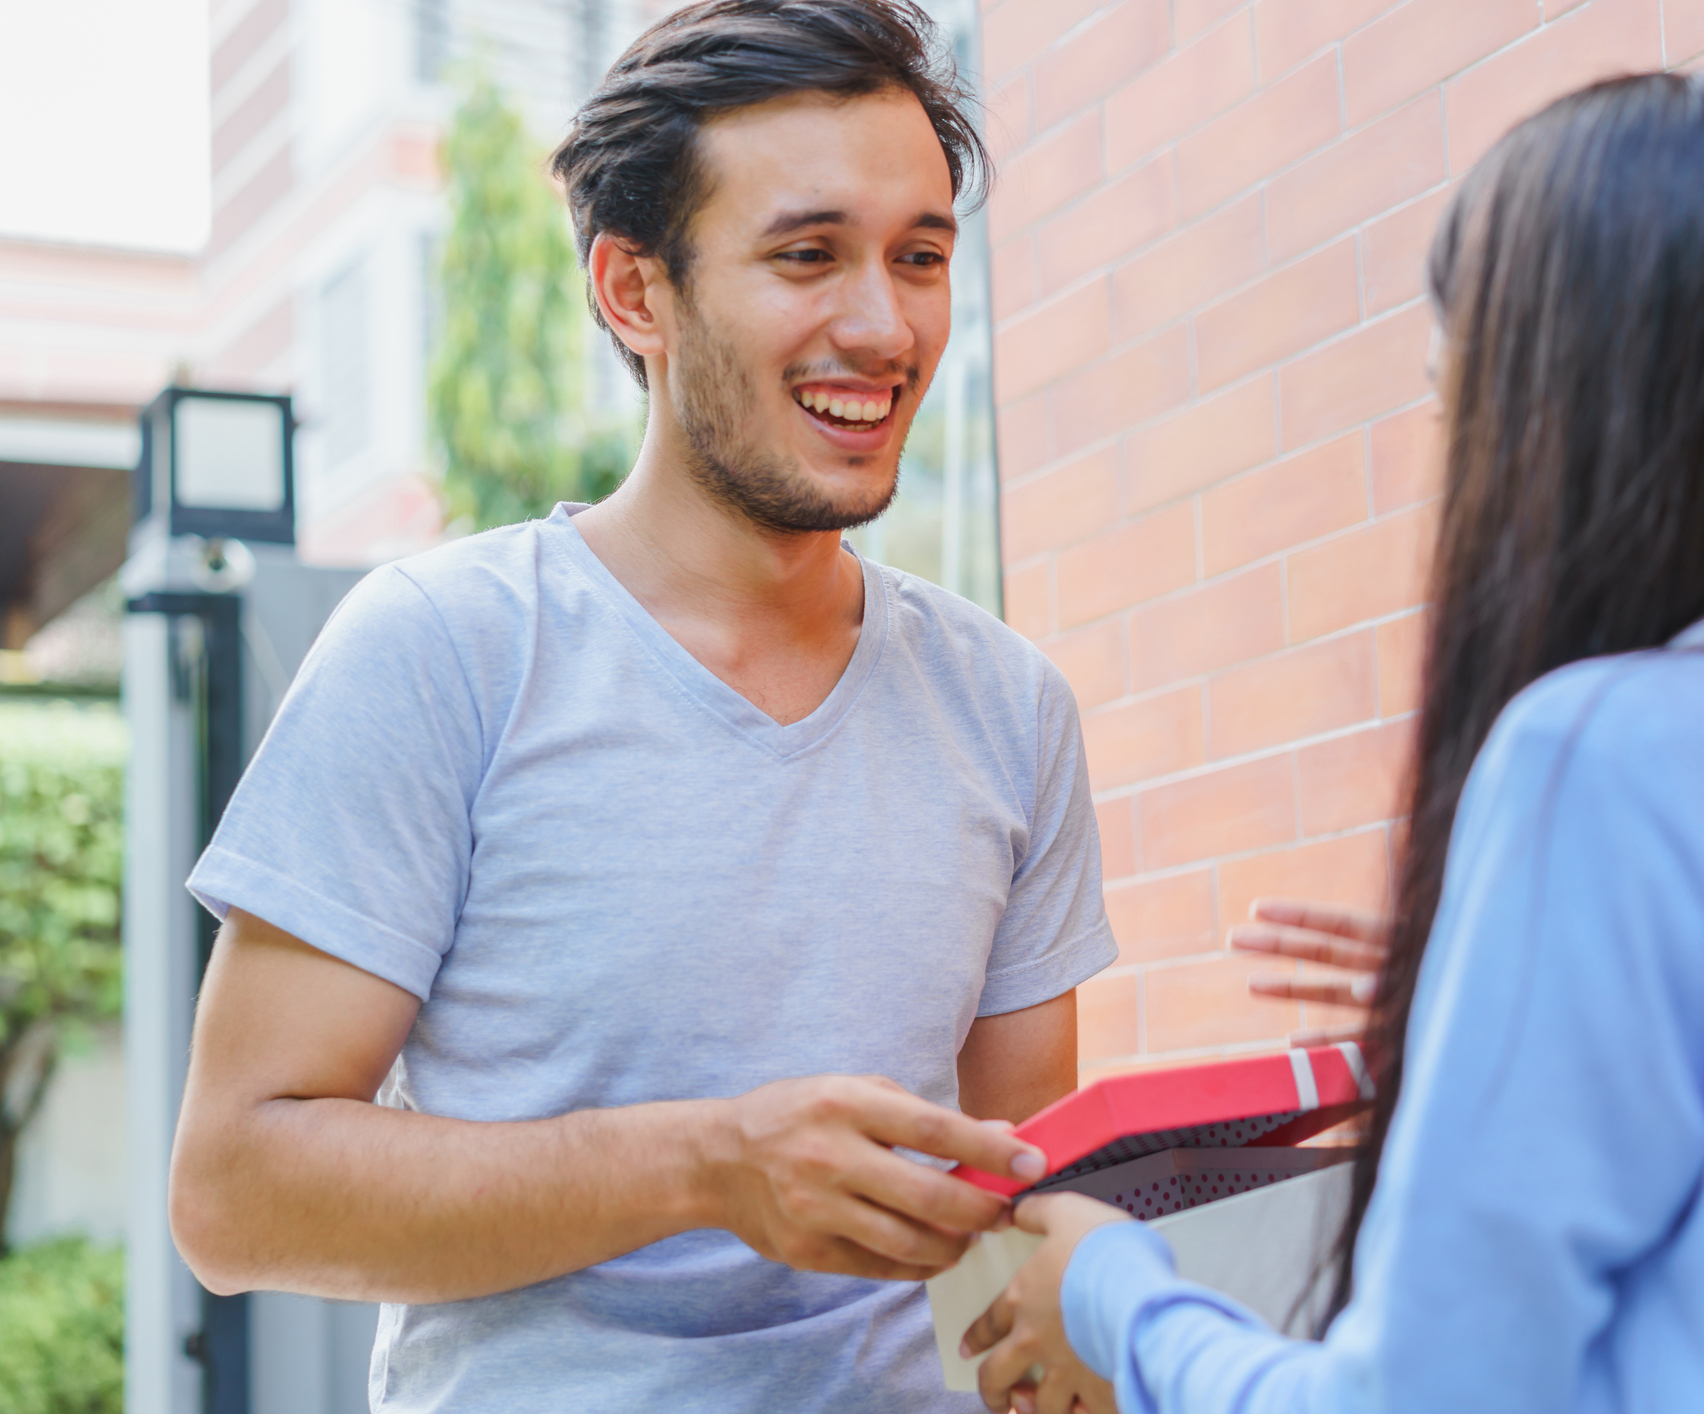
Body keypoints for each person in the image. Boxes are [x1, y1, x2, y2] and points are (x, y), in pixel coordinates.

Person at [963, 71, 1704, 1414]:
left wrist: (1114, 1296)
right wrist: (1494, 975)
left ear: (1574, 405)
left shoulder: (1603, 757)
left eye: (1457, 392)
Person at [166, 3, 1117, 1410]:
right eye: (808, 254)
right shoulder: (443, 652)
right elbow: (235, 1192)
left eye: (921, 257)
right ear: (634, 292)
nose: (884, 322)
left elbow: (1030, 1182)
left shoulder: (1011, 705)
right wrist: (704, 1165)